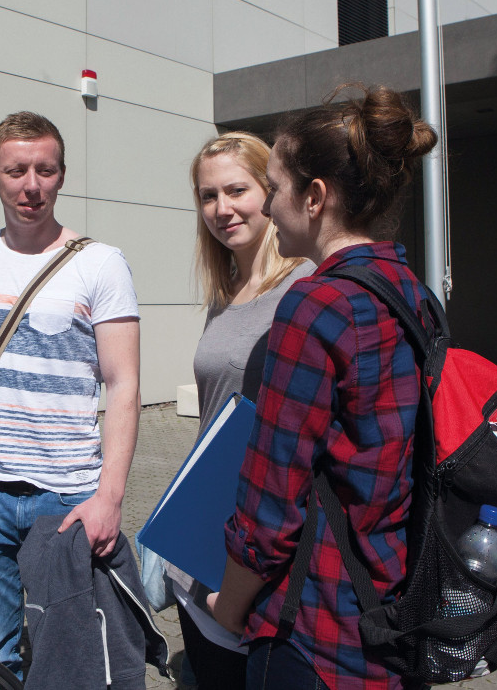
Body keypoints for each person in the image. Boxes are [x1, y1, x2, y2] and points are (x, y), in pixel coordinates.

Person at [209, 84, 438, 689]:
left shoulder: (315, 306)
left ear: (315, 197)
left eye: (276, 188)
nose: (267, 206)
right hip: (395, 604)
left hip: (315, 631)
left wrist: (229, 605)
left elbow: (269, 502)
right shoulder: (411, 293)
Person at [0, 111, 141, 684]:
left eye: (44, 170)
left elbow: (124, 386)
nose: (31, 185)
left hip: (66, 497)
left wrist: (110, 498)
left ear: (62, 175)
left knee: (69, 662)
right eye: (16, 170)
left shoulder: (101, 263)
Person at [168, 131, 313, 690]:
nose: (221, 209)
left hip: (258, 548)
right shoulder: (226, 289)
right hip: (204, 533)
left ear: (270, 191)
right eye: (208, 196)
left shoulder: (302, 288)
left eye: (237, 190)